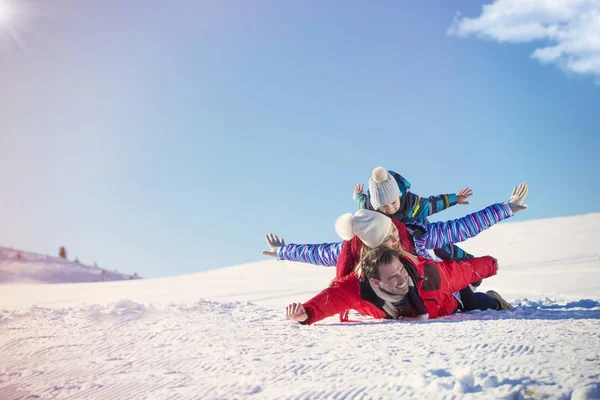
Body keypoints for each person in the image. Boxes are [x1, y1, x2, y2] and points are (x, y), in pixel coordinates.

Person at [285, 246, 513, 325]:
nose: (402, 279)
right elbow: (330, 299)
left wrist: (490, 265)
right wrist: (305, 314)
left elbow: (461, 271)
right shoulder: (357, 288)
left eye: (401, 271)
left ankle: (495, 300)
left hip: (452, 301)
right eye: (392, 278)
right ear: (375, 282)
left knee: (475, 303)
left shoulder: (430, 275)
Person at [355, 167, 475, 261]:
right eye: (384, 206)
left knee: (444, 249)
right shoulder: (371, 211)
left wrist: (455, 199)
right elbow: (361, 201)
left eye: (393, 202)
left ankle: (469, 261)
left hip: (423, 235)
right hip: (403, 245)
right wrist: (358, 195)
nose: (390, 208)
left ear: (399, 195)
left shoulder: (413, 204)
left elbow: (432, 204)